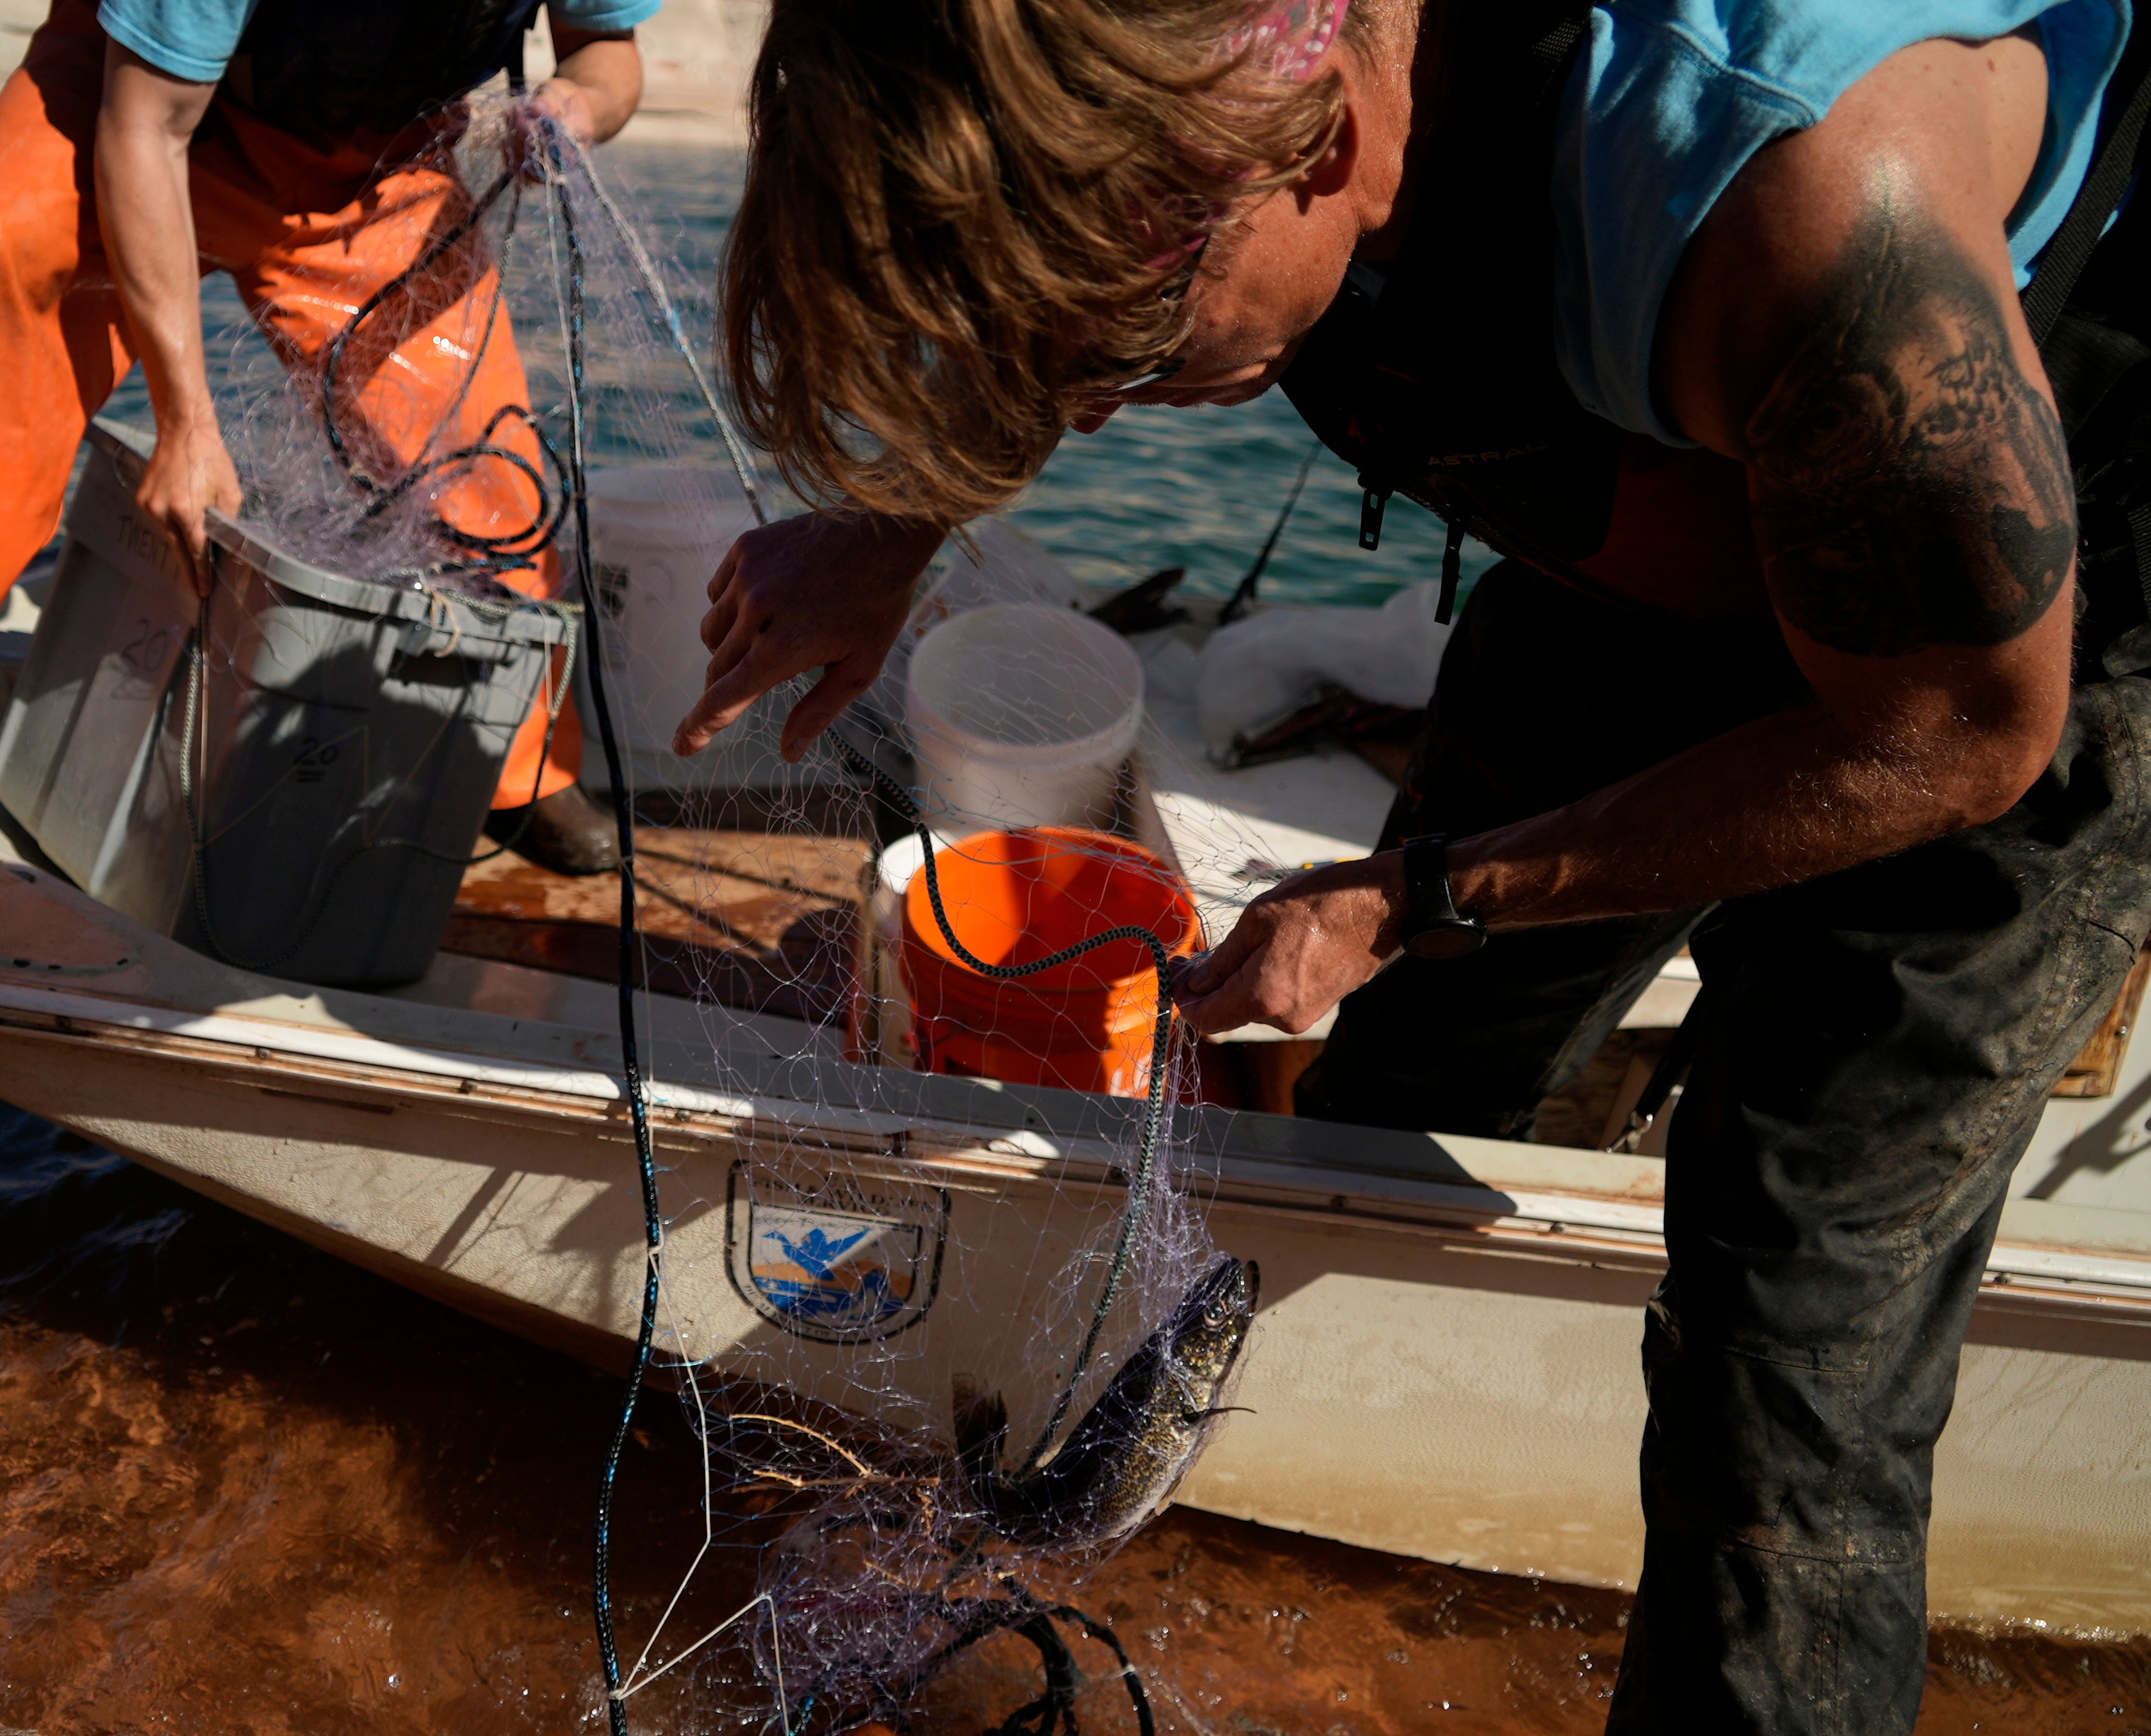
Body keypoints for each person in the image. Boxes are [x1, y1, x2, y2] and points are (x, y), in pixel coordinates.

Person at [676, 0, 2151, 1727]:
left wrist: (1429, 893)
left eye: (1141, 350)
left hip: (2011, 594)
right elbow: (1070, 261)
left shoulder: (1811, 193)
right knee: (1400, 1097)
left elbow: (1964, 726)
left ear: (1334, 144)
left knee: (1796, 1311)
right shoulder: (1227, 88)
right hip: (1651, 507)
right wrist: (894, 521)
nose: (1096, 390)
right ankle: (1342, 1488)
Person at [0, 0, 650, 875]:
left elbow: (607, 50)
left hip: (379, 159)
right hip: (132, 109)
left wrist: (582, 104)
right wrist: (185, 423)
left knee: (482, 470)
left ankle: (511, 764)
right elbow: (145, 127)